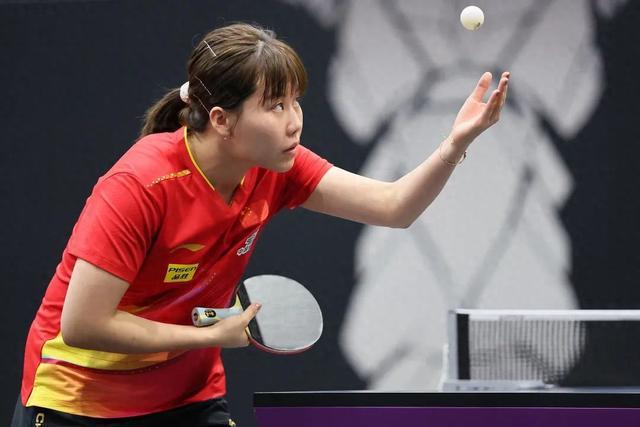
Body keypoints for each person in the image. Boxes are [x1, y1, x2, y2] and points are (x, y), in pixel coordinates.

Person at [12, 22, 509, 427]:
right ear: (221, 120)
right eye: (275, 106)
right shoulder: (142, 185)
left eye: (295, 101)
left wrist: (454, 145)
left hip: (187, 398)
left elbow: (394, 207)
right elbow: (84, 325)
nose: (294, 121)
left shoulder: (274, 168)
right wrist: (207, 337)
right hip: (80, 401)